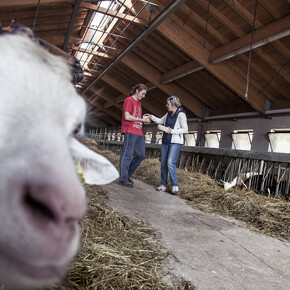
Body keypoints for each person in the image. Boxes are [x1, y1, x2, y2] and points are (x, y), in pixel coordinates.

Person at [146, 96, 188, 195]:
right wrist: (151, 116)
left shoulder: (181, 114)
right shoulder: (168, 113)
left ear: (173, 105)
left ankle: (175, 186)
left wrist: (172, 131)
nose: (166, 105)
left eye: (168, 104)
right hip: (165, 141)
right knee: (163, 163)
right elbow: (160, 121)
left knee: (170, 163)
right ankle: (163, 185)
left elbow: (185, 129)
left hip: (175, 142)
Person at [119, 84, 150, 188]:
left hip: (139, 131)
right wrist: (142, 120)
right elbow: (127, 117)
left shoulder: (139, 103)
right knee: (127, 154)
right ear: (137, 91)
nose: (144, 96)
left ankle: (127, 174)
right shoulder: (129, 100)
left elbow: (135, 115)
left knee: (141, 155)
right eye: (143, 93)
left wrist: (143, 118)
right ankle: (123, 178)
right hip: (130, 130)